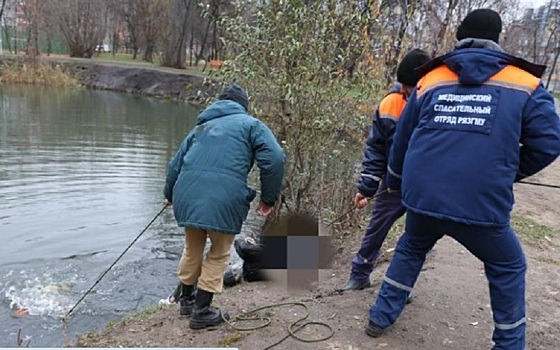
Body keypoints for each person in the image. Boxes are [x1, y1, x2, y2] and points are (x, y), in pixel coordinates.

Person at [366, 9, 560, 350]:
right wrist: (507, 171)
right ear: (497, 39)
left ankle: (379, 318)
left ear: (459, 36)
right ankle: (510, 344)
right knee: (509, 264)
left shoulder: (432, 78)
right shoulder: (525, 83)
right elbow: (549, 142)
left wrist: (394, 181)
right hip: (481, 202)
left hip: (423, 195)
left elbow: (402, 140)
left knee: (411, 247)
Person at [164, 83, 285, 330]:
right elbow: (275, 158)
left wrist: (170, 194)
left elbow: (175, 165)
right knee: (219, 252)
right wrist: (268, 198)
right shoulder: (252, 126)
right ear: (244, 106)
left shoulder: (201, 127)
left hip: (189, 194)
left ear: (220, 104)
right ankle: (201, 311)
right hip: (225, 198)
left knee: (192, 247)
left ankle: (186, 301)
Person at [340, 49, 431, 292]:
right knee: (376, 228)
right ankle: (359, 274)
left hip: (425, 187)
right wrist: (367, 187)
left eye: (409, 87)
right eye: (402, 85)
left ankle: (403, 285)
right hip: (392, 184)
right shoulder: (390, 102)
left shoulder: (438, 102)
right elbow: (376, 147)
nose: (404, 91)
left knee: (416, 238)